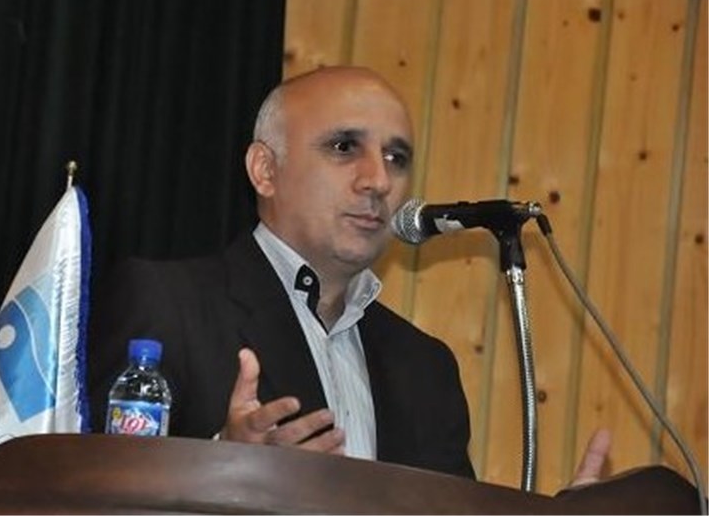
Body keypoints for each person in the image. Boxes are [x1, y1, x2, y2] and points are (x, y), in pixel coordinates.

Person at [87, 65, 608, 483]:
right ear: (265, 170)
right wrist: (226, 463)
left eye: (396, 158)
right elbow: (89, 492)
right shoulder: (167, 303)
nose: (378, 179)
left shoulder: (425, 368)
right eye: (344, 147)